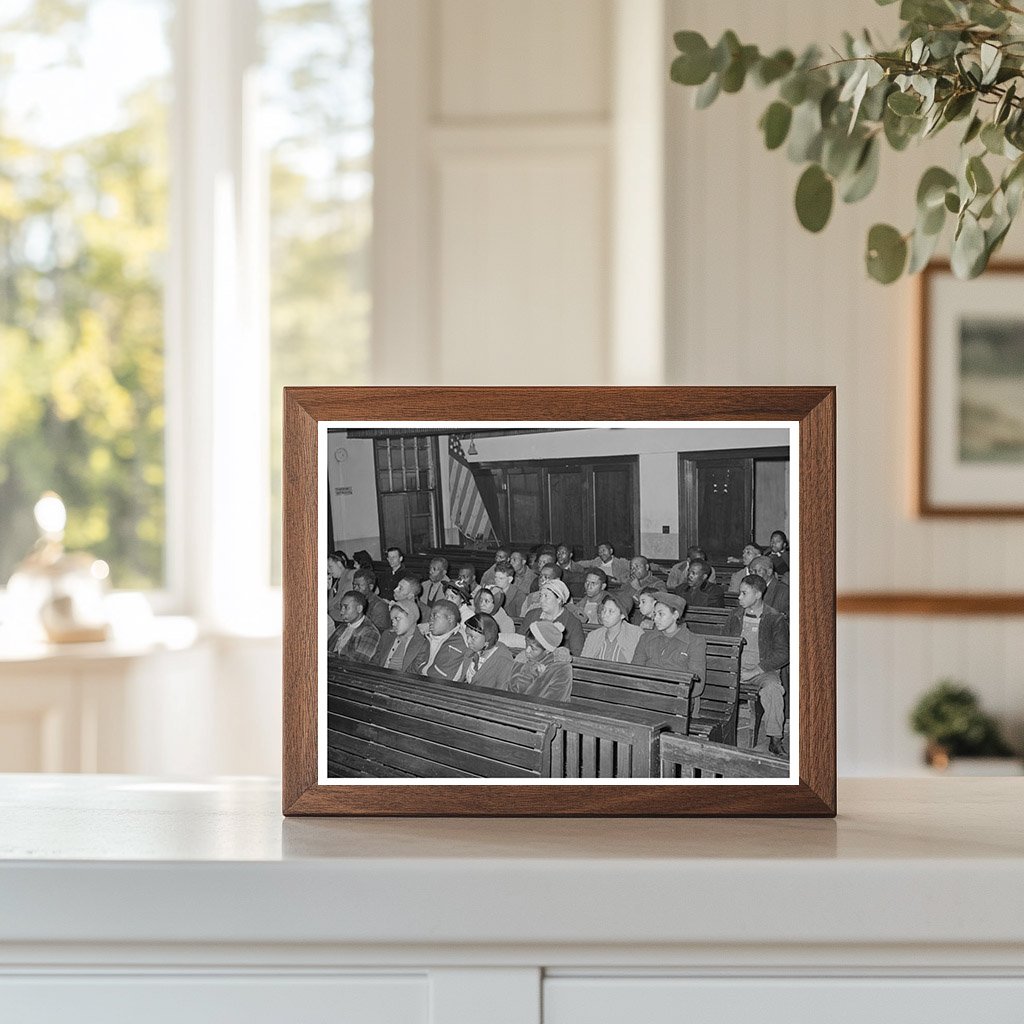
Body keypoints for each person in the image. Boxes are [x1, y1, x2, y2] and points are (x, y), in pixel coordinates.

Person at [727, 575, 789, 756]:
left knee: (774, 689)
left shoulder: (775, 618)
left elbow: (784, 653)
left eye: (744, 593)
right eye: (740, 593)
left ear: (758, 594)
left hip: (762, 670)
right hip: (735, 668)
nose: (739, 597)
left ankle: (775, 739)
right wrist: (733, 668)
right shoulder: (735, 615)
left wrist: (755, 671)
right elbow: (724, 642)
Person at [631, 591, 707, 688]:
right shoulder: (646, 638)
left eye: (661, 614)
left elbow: (697, 685)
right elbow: (635, 671)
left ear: (675, 615)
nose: (655, 619)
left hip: (677, 696)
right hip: (646, 693)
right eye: (654, 614)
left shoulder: (695, 642)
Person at [509, 620, 573, 702]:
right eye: (526, 644)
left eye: (533, 648)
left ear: (547, 650)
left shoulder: (560, 668)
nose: (527, 650)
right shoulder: (522, 659)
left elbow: (554, 701)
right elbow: (511, 692)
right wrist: (530, 672)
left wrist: (538, 678)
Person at [519, 577, 585, 656]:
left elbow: (576, 653)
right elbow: (520, 639)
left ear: (559, 599)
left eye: (546, 596)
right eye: (541, 595)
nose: (541, 600)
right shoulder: (531, 615)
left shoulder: (573, 623)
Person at [581, 591, 643, 663]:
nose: (604, 615)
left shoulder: (636, 634)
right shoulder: (593, 636)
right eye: (604, 610)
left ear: (622, 615)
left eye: (611, 611)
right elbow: (583, 663)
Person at [460, 612, 514, 690]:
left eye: (472, 637)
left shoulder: (504, 660)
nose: (468, 641)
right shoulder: (471, 651)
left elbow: (501, 692)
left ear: (487, 639)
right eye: (467, 635)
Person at [374, 599, 429, 672]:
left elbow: (414, 673)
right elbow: (375, 662)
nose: (393, 624)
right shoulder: (387, 635)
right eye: (392, 620)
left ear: (411, 618)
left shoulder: (423, 644)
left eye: (397, 619)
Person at [327, 591, 381, 664]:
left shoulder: (370, 632)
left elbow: (358, 663)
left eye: (346, 607)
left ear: (359, 609)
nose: (341, 612)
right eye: (341, 607)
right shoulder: (343, 626)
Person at [422, 600, 469, 681]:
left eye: (435, 616)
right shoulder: (429, 637)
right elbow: (415, 666)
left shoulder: (457, 644)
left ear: (450, 619)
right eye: (430, 617)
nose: (430, 621)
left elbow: (440, 678)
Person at [352, 568, 392, 633]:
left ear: (371, 587)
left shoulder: (379, 606)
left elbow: (381, 634)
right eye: (354, 585)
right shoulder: (354, 601)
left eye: (359, 586)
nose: (355, 588)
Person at [326, 550, 355, 625]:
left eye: (330, 566)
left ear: (339, 564)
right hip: (335, 620)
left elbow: (342, 604)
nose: (328, 570)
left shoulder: (350, 576)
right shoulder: (337, 581)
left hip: (343, 622)